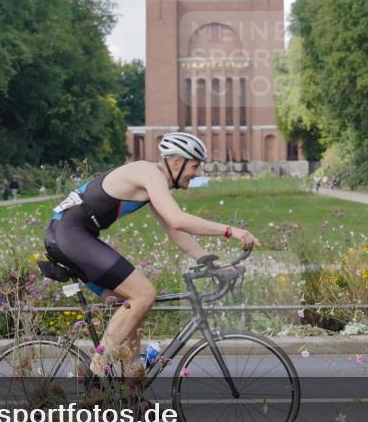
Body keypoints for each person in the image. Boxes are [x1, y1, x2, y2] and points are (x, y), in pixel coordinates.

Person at [43, 132, 259, 377]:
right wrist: (231, 231)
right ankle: (96, 377)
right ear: (176, 163)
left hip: (71, 236)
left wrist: (210, 262)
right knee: (143, 294)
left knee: (130, 309)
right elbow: (177, 220)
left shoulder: (153, 181)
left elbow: (175, 230)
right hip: (69, 235)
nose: (198, 173)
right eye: (195, 166)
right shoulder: (149, 173)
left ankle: (128, 389)